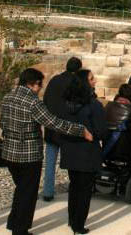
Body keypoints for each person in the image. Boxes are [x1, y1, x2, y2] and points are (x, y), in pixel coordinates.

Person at [0, 68, 93, 235]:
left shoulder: (7, 98)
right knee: (27, 193)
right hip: (29, 155)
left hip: (9, 152)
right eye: (39, 85)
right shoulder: (33, 102)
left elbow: (2, 123)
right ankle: (20, 230)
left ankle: (14, 222)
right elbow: (54, 123)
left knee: (20, 189)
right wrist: (81, 130)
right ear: (34, 84)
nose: (40, 88)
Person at [58, 69, 107, 235]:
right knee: (84, 190)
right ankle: (79, 225)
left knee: (74, 186)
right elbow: (101, 131)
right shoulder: (93, 105)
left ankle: (72, 219)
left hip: (70, 150)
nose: (95, 81)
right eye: (92, 79)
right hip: (87, 152)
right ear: (85, 83)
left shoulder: (66, 104)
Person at [42, 57, 82, 202]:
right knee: (72, 161)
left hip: (52, 127)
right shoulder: (77, 83)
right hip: (68, 129)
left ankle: (47, 192)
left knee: (50, 162)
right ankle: (75, 190)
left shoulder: (54, 80)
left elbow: (45, 100)